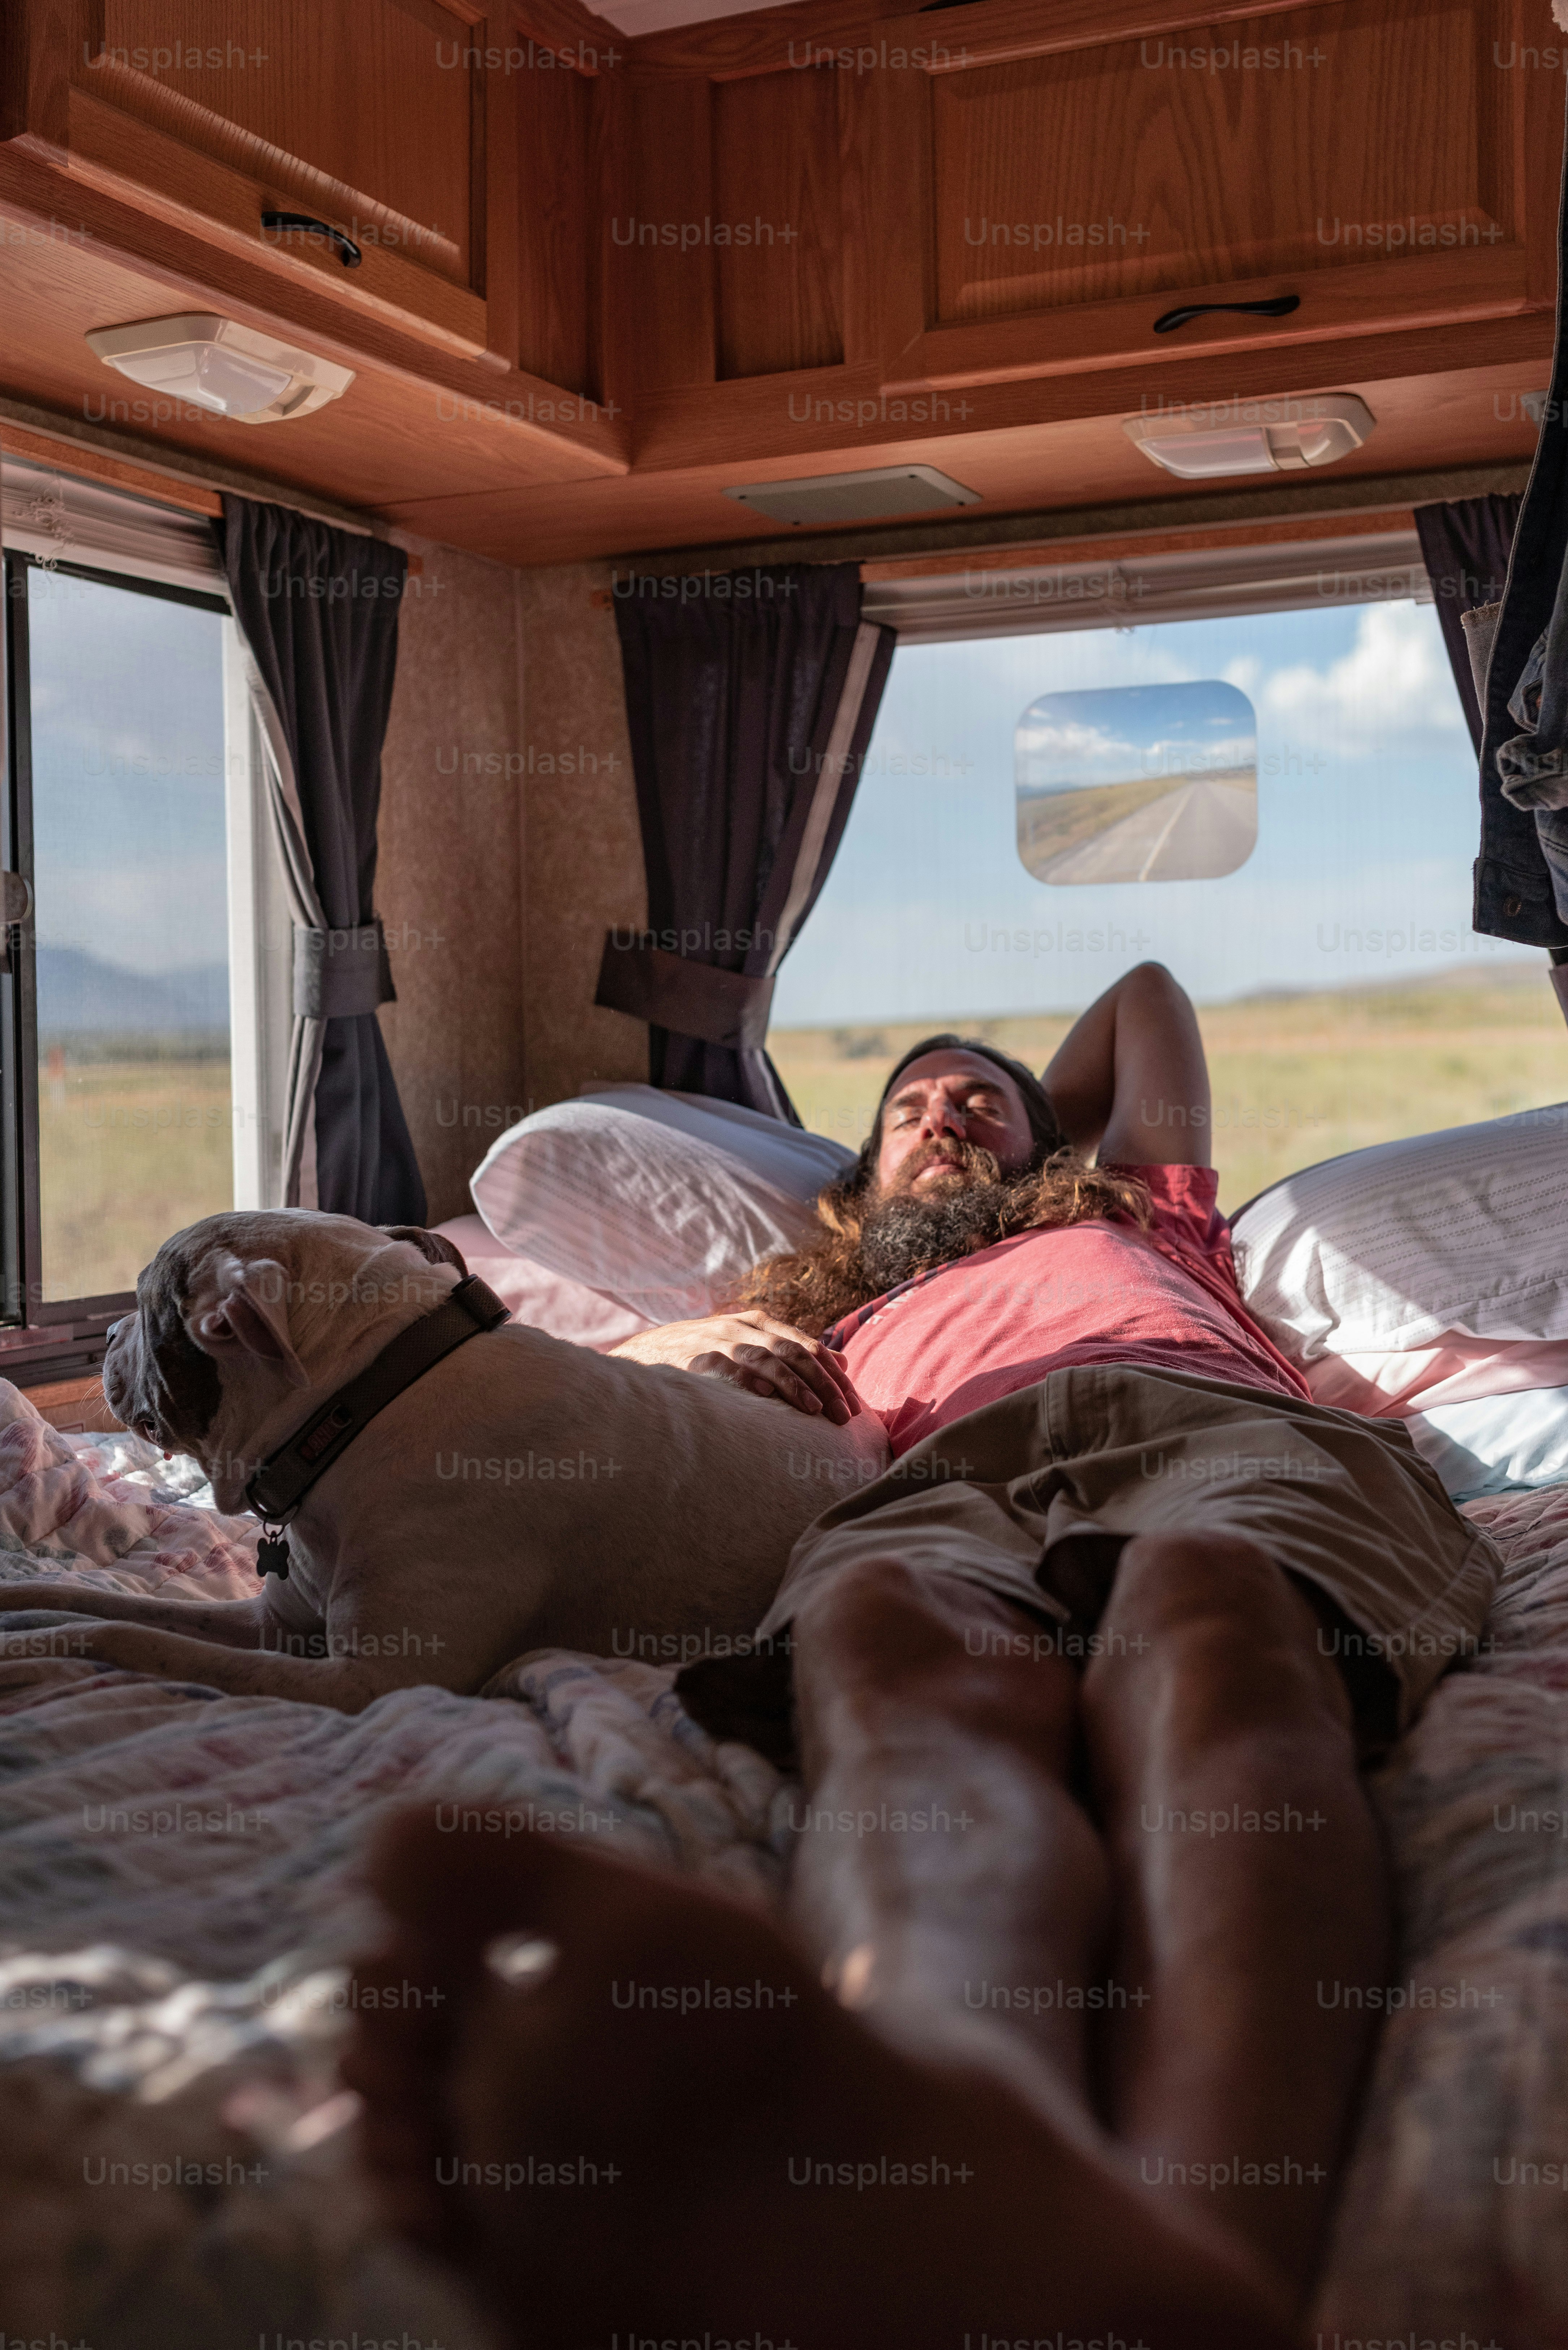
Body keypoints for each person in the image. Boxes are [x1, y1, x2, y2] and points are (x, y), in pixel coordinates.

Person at [345, 963, 1499, 2344]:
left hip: (1206, 1420)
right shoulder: (819, 1306)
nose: (946, 1112)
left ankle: (1204, 2256)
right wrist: (705, 1340)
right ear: (852, 1185)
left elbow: (1146, 998)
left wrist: (1020, 1125)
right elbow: (609, 1386)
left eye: (980, 1102)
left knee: (1206, 1601)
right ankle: (947, 2128)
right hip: (938, 1476)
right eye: (909, 1109)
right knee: (893, 1657)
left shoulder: (1144, 1206)